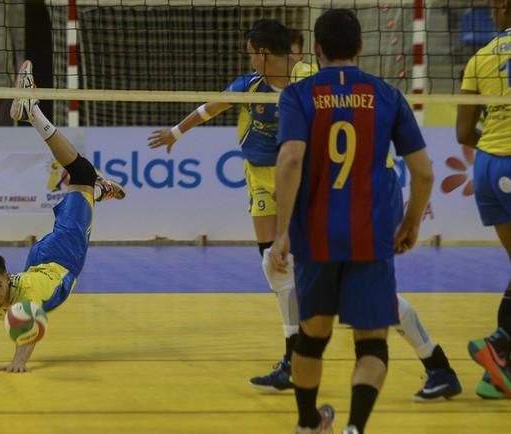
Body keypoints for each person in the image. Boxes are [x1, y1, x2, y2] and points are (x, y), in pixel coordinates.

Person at [148, 19, 461, 401]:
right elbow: (208, 108)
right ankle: (292, 362)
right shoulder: (250, 86)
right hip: (269, 181)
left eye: (251, 54)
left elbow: (313, 145)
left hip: (316, 187)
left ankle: (435, 364)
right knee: (274, 267)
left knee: (355, 293)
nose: (249, 61)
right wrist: (175, 133)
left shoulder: (309, 83)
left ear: (266, 54)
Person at [271, 9, 435, 434]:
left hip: (317, 233)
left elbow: (290, 159)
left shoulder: (297, 94)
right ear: (360, 47)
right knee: (372, 343)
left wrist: (282, 230)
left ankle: (309, 424)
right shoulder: (386, 95)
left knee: (313, 336)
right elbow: (423, 172)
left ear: (317, 49)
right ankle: (355, 429)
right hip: (370, 232)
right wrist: (412, 222)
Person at [0, 60, 125, 373]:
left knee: (79, 172)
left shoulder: (26, 294)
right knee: (81, 178)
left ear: (6, 278)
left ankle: (33, 114)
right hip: (44, 260)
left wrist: (18, 362)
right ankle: (96, 190)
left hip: (56, 260)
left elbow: (28, 324)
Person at [458, 0, 511, 400]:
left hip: (487, 166)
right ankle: (499, 342)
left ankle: (496, 373)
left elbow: (463, 132)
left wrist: (493, 152)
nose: (492, 10)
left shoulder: (480, 55)